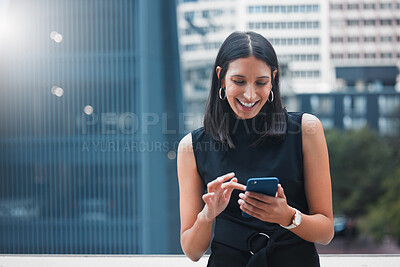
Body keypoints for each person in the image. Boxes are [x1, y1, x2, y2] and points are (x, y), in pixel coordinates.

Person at [177, 31, 334, 267]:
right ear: (221, 78)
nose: (250, 94)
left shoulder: (306, 130)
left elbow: (326, 232)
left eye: (260, 82)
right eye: (239, 81)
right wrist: (208, 215)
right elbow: (192, 251)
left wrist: (287, 217)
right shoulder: (192, 146)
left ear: (273, 78)